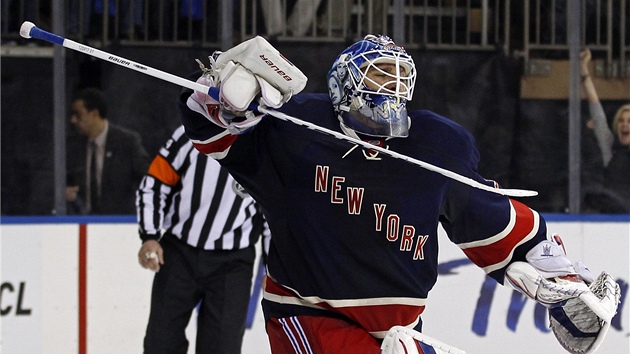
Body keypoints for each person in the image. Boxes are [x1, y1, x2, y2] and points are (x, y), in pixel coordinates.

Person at [178, 35, 619, 353]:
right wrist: (220, 100)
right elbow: (212, 134)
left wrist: (564, 281)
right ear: (342, 87)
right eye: (377, 75)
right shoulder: (296, 128)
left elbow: (493, 220)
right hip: (308, 315)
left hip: (397, 332)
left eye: (397, 77)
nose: (390, 88)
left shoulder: (436, 145)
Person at [136, 125, 270, 354]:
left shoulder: (266, 145)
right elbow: (156, 181)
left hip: (233, 263)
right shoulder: (193, 130)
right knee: (160, 343)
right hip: (178, 254)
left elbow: (274, 215)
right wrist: (149, 235)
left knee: (222, 347)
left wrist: (272, 269)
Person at [66, 87, 149, 214]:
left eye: (78, 114)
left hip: (119, 224)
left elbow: (147, 178)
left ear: (94, 114)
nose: (73, 120)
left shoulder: (126, 142)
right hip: (82, 222)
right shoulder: (74, 146)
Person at [580, 48, 630, 213]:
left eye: (629, 121)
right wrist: (584, 69)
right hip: (613, 217)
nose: (625, 125)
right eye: (622, 121)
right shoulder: (611, 150)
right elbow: (597, 112)